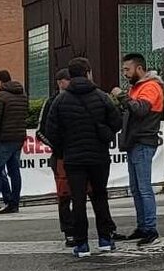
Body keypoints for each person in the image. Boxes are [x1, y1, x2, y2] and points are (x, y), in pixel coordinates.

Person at [42, 57, 122, 258]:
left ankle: (82, 243)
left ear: (70, 75)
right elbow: (117, 122)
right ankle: (105, 239)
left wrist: (63, 148)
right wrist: (103, 135)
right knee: (100, 196)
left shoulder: (60, 101)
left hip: (73, 158)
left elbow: (50, 131)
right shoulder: (101, 96)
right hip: (98, 156)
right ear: (88, 73)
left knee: (77, 200)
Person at [112, 53, 164, 245]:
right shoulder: (137, 87)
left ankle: (150, 228)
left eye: (127, 69)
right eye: (123, 70)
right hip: (135, 142)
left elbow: (140, 110)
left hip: (143, 142)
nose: (125, 73)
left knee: (143, 188)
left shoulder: (150, 87)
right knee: (136, 188)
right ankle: (143, 226)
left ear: (140, 69)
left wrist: (121, 96)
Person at [36, 70, 74, 245]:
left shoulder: (79, 99)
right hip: (60, 157)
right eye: (68, 80)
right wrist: (56, 146)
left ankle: (87, 229)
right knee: (64, 195)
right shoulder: (51, 102)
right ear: (59, 82)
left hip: (79, 154)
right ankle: (68, 231)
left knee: (85, 193)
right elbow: (40, 132)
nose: (71, 83)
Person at [0, 69, 28, 215]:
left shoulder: (0, 96)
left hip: (3, 140)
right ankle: (14, 204)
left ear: (0, 81)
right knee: (14, 171)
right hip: (18, 138)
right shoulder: (23, 95)